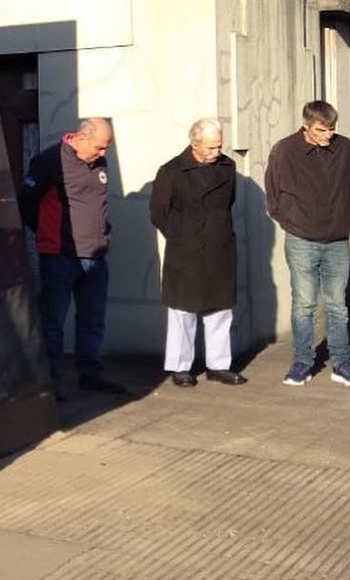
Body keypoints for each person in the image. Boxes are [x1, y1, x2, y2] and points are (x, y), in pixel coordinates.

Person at [19, 117, 125, 396]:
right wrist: (44, 231)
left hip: (96, 255)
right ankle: (50, 381)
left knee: (92, 319)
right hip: (60, 256)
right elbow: (26, 200)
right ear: (81, 138)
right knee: (52, 321)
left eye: (107, 148)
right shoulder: (49, 161)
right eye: (100, 147)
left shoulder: (99, 162)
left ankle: (90, 374)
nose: (103, 154)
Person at [265, 100, 350, 388]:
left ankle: (342, 364)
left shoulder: (345, 148)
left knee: (338, 305)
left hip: (337, 238)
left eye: (332, 129)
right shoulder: (285, 150)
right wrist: (290, 221)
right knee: (304, 304)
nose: (328, 135)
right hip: (301, 239)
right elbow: (273, 193)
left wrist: (344, 217)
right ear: (306, 126)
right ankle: (302, 363)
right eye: (322, 130)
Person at [149, 118, 245, 387]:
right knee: (183, 311)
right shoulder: (171, 171)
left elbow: (228, 202)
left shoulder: (228, 167)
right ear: (194, 144)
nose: (217, 153)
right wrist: (182, 235)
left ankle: (219, 365)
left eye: (219, 146)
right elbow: (158, 212)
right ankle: (180, 367)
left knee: (220, 309)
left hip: (219, 247)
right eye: (211, 148)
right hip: (185, 250)